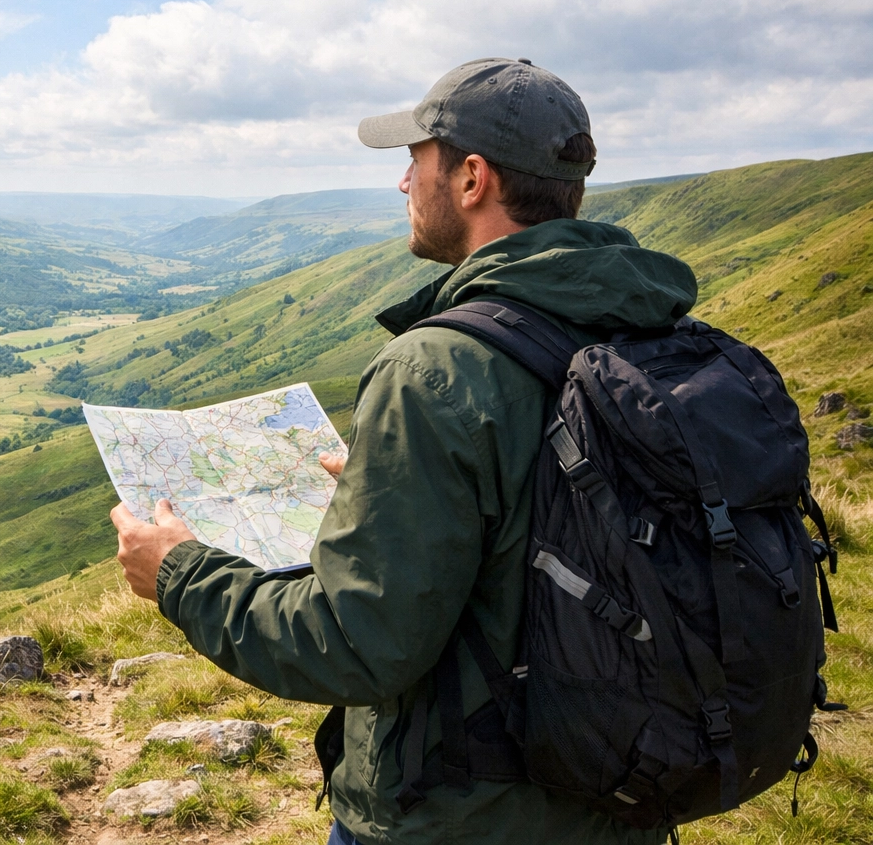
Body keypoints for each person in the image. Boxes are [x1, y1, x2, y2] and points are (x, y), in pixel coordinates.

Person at [112, 58, 695, 844]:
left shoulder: (438, 370)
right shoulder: (657, 333)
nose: (402, 186)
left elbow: (357, 644)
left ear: (472, 178)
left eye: (415, 161)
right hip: (622, 792)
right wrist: (397, 487)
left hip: (461, 815)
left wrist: (181, 574)